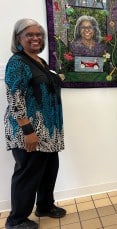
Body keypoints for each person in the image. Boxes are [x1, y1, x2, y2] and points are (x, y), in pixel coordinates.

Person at [4, 18, 66, 229]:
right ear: (19, 38)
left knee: (49, 170)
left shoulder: (40, 61)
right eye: (29, 34)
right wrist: (28, 130)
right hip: (29, 131)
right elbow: (15, 97)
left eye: (38, 34)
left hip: (48, 132)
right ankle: (16, 220)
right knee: (28, 174)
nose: (35, 38)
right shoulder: (18, 62)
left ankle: (45, 206)